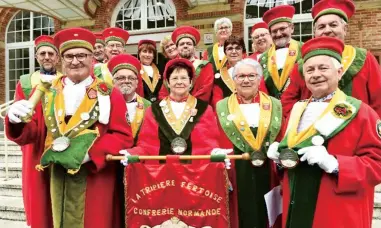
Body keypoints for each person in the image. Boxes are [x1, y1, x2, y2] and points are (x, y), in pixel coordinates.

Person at [5, 27, 133, 228]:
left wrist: (90, 153)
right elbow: (33, 134)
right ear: (61, 60)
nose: (75, 61)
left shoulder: (109, 93)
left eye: (81, 55)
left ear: (92, 58)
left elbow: (123, 136)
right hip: (52, 176)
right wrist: (16, 121)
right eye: (69, 56)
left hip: (94, 178)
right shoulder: (46, 92)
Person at [267, 36, 381, 228]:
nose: (316, 74)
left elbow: (376, 164)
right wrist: (280, 160)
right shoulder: (297, 110)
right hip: (296, 207)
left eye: (323, 68)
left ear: (339, 71)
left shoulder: (362, 112)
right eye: (310, 70)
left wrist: (335, 164)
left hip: (338, 212)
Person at [281, 0, 381, 118]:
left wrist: (371, 127)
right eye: (321, 27)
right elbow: (287, 101)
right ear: (315, 32)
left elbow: (378, 100)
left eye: (333, 25)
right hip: (312, 132)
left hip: (358, 130)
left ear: (345, 29)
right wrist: (301, 122)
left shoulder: (365, 58)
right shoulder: (302, 65)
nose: (327, 30)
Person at [216, 58, 282, 228]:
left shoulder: (275, 104)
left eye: (251, 76)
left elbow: (282, 136)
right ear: (234, 79)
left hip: (268, 167)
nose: (246, 80)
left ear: (259, 79)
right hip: (236, 169)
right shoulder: (221, 106)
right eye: (241, 76)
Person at [121, 58, 222, 165]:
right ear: (167, 83)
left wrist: (215, 152)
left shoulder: (204, 109)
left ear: (191, 82)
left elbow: (209, 143)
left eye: (183, 78)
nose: (179, 82)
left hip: (195, 173)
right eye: (174, 78)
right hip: (162, 174)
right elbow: (146, 145)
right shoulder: (154, 109)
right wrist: (133, 153)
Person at [10, 35, 61, 228]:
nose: (47, 57)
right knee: (37, 193)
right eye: (42, 54)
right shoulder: (25, 81)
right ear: (36, 57)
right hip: (35, 145)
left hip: (58, 142)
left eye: (51, 53)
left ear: (57, 58)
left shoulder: (65, 79)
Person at [108, 54, 151, 227]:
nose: (126, 81)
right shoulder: (103, 103)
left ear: (137, 81)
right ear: (113, 81)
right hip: (110, 165)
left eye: (130, 77)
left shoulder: (148, 106)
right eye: (120, 77)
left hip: (139, 168)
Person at [158, 26, 214, 102]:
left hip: (197, 109)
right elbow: (163, 93)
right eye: (181, 44)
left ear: (194, 47)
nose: (185, 46)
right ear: (177, 48)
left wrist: (185, 105)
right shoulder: (171, 67)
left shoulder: (205, 66)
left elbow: (205, 92)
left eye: (189, 43)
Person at [260, 5, 303, 99]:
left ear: (291, 28)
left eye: (282, 29)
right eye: (274, 31)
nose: (279, 34)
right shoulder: (263, 58)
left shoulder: (304, 49)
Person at [210, 36, 246, 110]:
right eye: (230, 49)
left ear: (243, 51)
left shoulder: (253, 71)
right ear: (225, 53)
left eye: (237, 48)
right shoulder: (218, 75)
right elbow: (217, 100)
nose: (234, 51)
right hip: (227, 114)